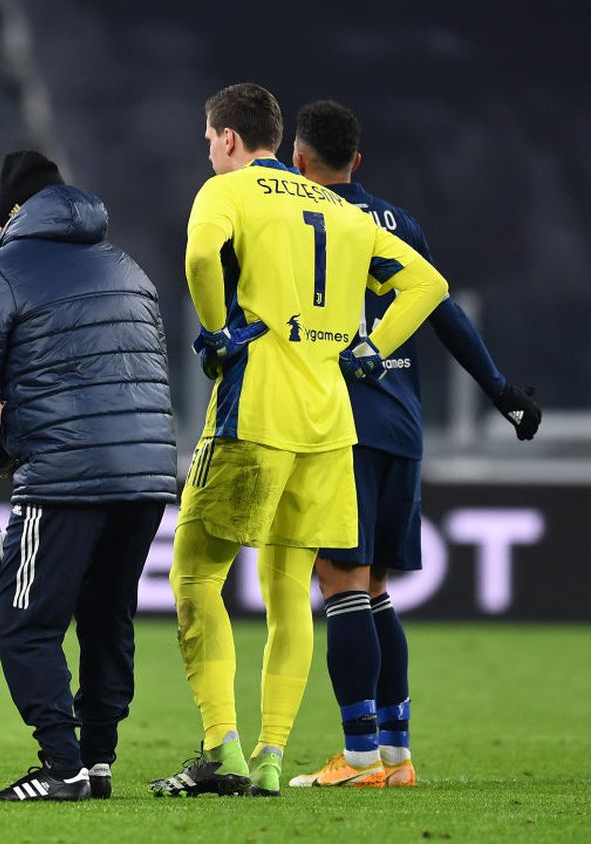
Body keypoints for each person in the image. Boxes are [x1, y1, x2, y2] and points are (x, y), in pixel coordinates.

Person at [148, 83, 448, 800]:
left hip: (256, 417)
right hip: (329, 428)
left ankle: (222, 746)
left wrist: (219, 328)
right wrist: (372, 345)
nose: (209, 149)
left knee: (194, 575)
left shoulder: (228, 192)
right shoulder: (339, 210)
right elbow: (428, 283)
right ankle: (274, 755)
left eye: (208, 138)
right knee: (289, 593)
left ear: (226, 138)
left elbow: (198, 258)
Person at [285, 100, 541, 789]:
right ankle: (396, 755)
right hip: (402, 425)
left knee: (339, 584)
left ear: (296, 162)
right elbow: (444, 310)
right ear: (357, 162)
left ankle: (360, 755)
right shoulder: (398, 223)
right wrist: (500, 390)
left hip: (339, 424)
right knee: (373, 590)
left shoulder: (297, 224)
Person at [0, 150, 178, 801]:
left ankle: (61, 766)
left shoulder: (3, 271)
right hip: (147, 473)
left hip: (63, 476)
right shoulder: (127, 267)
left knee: (23, 621)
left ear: (10, 215)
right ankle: (98, 760)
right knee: (108, 616)